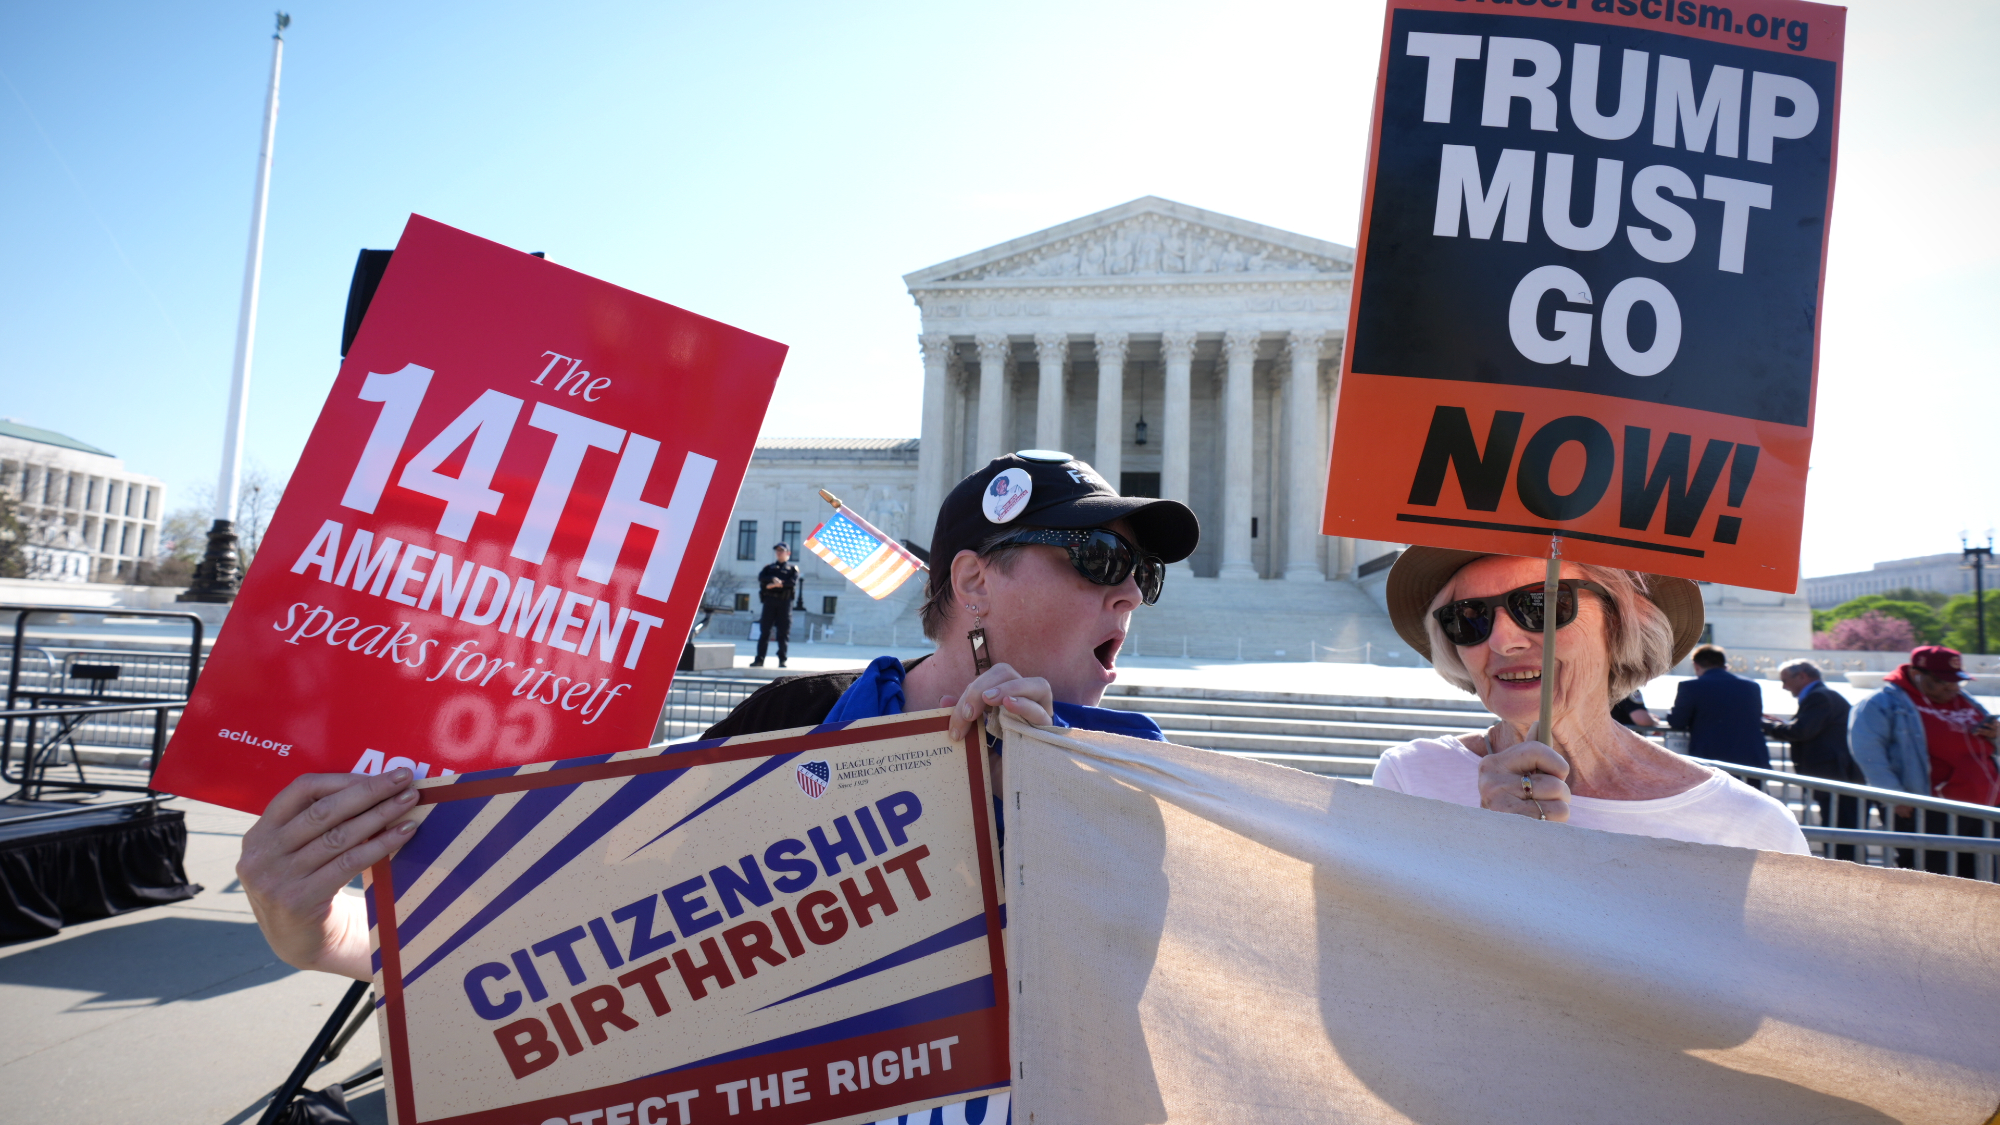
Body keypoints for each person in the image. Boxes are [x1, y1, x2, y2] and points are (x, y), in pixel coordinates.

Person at [233, 450, 1199, 978]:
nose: (1132, 599)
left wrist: (1050, 784)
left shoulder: (1138, 779)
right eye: (1102, 564)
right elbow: (571, 942)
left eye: (1143, 575)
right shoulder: (788, 724)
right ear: (975, 583)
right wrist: (320, 934)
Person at [1370, 548, 1807, 854]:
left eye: (1540, 605)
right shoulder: (1411, 778)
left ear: (1619, 623)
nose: (1502, 641)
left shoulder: (1748, 827)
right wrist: (1488, 846)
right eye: (1468, 618)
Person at [1849, 645, 1999, 875]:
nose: (1952, 687)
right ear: (1917, 675)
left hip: (1985, 807)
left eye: (1957, 680)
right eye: (1942, 681)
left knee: (1982, 881)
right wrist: (1894, 796)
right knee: (1932, 880)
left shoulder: (1964, 699)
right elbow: (1868, 753)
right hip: (1929, 809)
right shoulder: (1883, 703)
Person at [1762, 659, 1861, 861]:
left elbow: (1801, 731)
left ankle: (1845, 879)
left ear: (1802, 676)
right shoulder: (1822, 696)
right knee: (1839, 830)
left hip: (1836, 778)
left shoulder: (1820, 697)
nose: (1784, 686)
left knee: (1840, 832)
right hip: (1836, 777)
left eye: (1786, 680)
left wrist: (1765, 726)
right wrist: (1781, 725)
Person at [1665, 645, 1771, 771]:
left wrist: (1669, 713)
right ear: (1724, 664)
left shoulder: (1691, 687)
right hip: (1751, 760)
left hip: (1712, 760)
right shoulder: (1751, 686)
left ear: (1696, 665)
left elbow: (1678, 721)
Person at [751, 541, 800, 668]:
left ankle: (782, 659)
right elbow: (761, 577)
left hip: (784, 604)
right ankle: (759, 659)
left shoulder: (792, 569)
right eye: (777, 551)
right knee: (765, 631)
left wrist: (777, 584)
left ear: (788, 553)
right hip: (770, 603)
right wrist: (772, 580)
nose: (779, 553)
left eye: (782, 551)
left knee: (783, 633)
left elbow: (792, 583)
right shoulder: (769, 568)